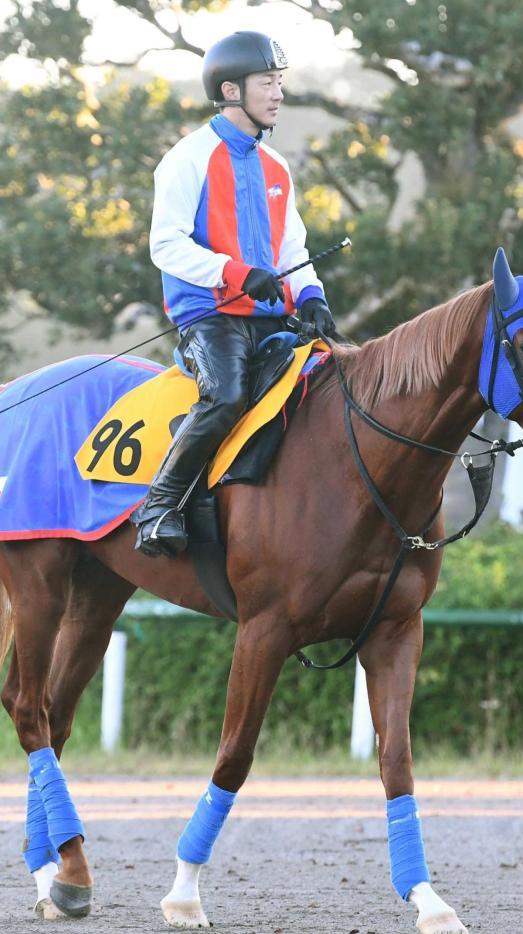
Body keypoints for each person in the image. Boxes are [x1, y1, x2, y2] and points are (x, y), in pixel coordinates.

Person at [132, 30, 337, 558]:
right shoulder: (187, 158)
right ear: (230, 91)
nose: (278, 94)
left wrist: (311, 294)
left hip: (272, 316)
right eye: (267, 82)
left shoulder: (278, 167)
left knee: (333, 389)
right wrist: (233, 272)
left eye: (280, 82)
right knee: (225, 396)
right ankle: (159, 505)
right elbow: (164, 245)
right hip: (210, 314)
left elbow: (292, 244)